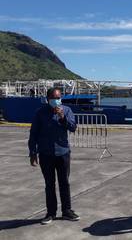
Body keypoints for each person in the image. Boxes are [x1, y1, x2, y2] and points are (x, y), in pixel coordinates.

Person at [28, 87, 80, 225]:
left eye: (58, 98)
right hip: (46, 154)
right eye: (53, 98)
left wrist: (62, 117)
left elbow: (73, 127)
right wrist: (32, 152)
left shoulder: (67, 110)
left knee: (64, 183)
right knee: (49, 184)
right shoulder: (40, 113)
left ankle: (67, 211)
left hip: (63, 153)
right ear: (48, 99)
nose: (56, 101)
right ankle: (50, 213)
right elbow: (33, 134)